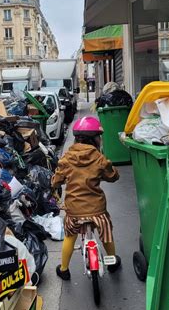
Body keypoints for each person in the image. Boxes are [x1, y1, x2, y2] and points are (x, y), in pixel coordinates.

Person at [52, 115, 121, 280]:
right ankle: (112, 263)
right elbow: (112, 176)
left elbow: (57, 179)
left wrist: (55, 186)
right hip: (97, 209)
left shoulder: (66, 158)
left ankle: (64, 269)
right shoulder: (99, 158)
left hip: (74, 210)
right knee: (106, 232)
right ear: (95, 140)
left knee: (70, 236)